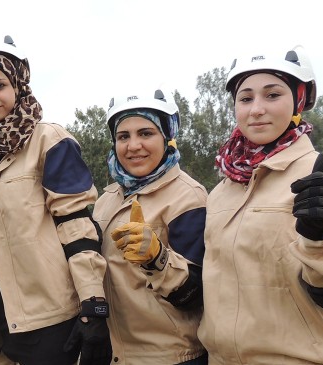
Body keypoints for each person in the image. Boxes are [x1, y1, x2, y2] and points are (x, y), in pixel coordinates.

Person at [0, 35, 111, 365]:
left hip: (48, 320)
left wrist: (93, 304)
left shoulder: (50, 142)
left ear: (19, 82)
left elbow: (76, 227)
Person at [199, 46, 323, 364]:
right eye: (246, 98)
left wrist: (319, 237)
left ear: (298, 102)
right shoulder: (220, 192)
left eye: (272, 95)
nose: (256, 109)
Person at [92, 89, 208, 364]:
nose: (133, 146)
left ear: (168, 137)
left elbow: (197, 295)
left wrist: (157, 259)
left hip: (171, 355)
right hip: (116, 352)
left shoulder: (188, 197)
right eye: (123, 136)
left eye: (145, 133)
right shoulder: (107, 198)